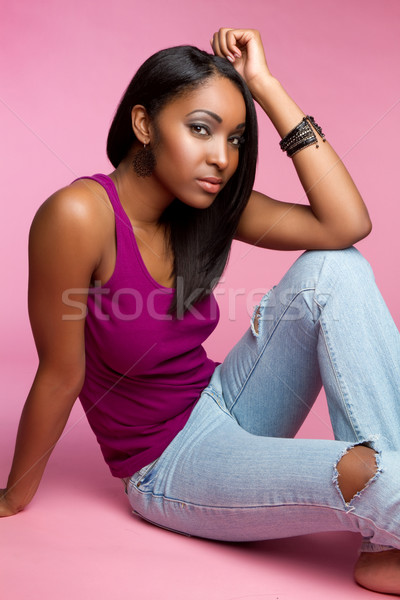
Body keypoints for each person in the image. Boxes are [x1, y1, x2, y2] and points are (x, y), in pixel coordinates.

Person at [1, 28, 399, 594]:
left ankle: (388, 542)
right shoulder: (78, 215)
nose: (222, 157)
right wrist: (13, 497)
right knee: (366, 471)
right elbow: (60, 374)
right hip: (169, 464)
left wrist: (265, 85)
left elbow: (344, 225)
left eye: (235, 139)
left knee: (338, 268)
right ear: (144, 125)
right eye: (201, 129)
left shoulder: (206, 204)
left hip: (226, 401)